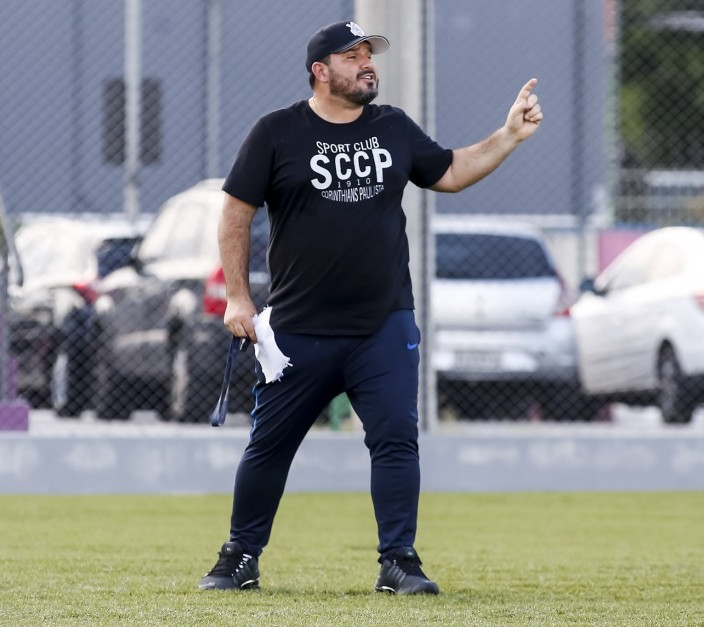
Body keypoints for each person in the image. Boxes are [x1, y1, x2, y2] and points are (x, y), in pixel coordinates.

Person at [198, 19, 543, 594]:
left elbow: (451, 172)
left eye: (370, 54)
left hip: (382, 325)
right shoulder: (277, 132)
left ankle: (399, 562)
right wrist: (238, 295)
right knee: (270, 445)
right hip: (299, 329)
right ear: (320, 70)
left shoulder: (393, 127)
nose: (367, 64)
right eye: (352, 55)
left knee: (395, 439)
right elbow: (236, 211)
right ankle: (240, 556)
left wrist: (506, 136)